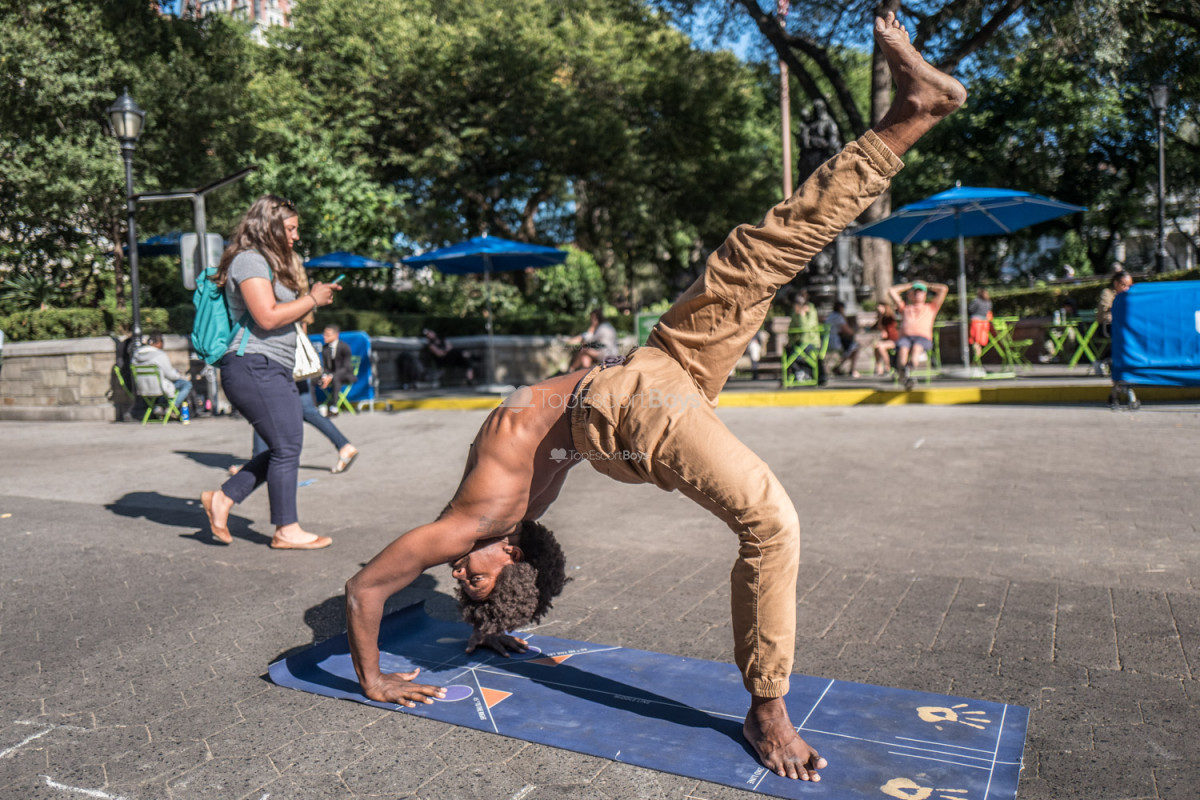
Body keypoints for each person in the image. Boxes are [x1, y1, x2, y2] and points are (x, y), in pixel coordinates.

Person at [343, 12, 965, 782]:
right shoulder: (498, 514)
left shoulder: (482, 519)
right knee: (771, 521)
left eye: (461, 583)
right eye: (472, 581)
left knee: (765, 250)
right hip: (633, 398)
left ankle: (912, 115)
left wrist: (381, 673)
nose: (453, 572)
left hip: (645, 374)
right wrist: (482, 624)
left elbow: (365, 588)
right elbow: (408, 574)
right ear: (516, 554)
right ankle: (767, 706)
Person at [199, 195, 341, 550]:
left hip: (272, 366)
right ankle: (286, 529)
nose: (295, 236)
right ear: (270, 226)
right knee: (286, 446)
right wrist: (312, 299)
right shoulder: (249, 260)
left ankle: (223, 499)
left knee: (285, 446)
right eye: (290, 229)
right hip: (252, 364)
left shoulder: (270, 263)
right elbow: (266, 316)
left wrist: (312, 299)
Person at [231, 258, 359, 475]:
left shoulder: (280, 288)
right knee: (305, 409)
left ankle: (256, 466)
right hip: (295, 358)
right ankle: (343, 445)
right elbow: (303, 328)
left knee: (264, 407)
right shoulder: (301, 292)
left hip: (281, 355)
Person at [887, 279, 949, 390]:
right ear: (910, 295)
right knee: (903, 349)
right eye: (915, 292)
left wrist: (927, 285)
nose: (918, 294)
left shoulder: (931, 307)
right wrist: (911, 285)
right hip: (906, 338)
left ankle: (908, 370)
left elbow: (943, 289)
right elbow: (892, 291)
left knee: (916, 348)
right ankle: (903, 373)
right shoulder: (905, 308)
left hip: (922, 338)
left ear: (925, 295)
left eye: (920, 292)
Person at [131, 332, 192, 416]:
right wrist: (180, 375)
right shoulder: (159, 355)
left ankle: (158, 407)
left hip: (143, 388)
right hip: (159, 388)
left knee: (164, 384)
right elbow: (171, 375)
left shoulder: (136, 355)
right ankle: (172, 407)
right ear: (159, 342)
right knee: (186, 384)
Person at [786, 290, 824, 384]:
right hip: (798, 342)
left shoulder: (810, 309)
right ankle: (797, 373)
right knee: (789, 351)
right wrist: (790, 342)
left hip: (811, 341)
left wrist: (802, 315)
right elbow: (791, 328)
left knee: (798, 354)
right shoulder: (794, 311)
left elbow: (805, 328)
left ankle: (806, 374)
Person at [320, 324, 356, 416]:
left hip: (345, 375)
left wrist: (331, 376)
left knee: (336, 379)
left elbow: (346, 367)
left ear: (336, 335)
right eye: (324, 334)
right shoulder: (325, 348)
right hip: (331, 375)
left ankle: (334, 408)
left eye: (328, 335)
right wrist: (325, 376)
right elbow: (326, 367)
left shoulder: (344, 347)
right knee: (313, 380)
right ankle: (313, 408)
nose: (325, 337)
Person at [823, 301, 861, 377]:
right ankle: (851, 370)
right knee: (856, 348)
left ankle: (838, 367)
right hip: (835, 342)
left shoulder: (830, 316)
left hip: (826, 342)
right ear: (841, 308)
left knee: (850, 349)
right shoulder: (838, 317)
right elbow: (848, 331)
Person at [871, 301, 899, 376]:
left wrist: (880, 319)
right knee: (876, 346)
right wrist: (880, 317)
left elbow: (885, 334)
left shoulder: (889, 318)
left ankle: (888, 366)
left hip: (894, 340)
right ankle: (878, 366)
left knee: (881, 347)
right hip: (887, 340)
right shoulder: (882, 318)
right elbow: (875, 327)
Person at [967, 288, 993, 363]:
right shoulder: (988, 302)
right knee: (979, 342)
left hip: (976, 322)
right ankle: (977, 359)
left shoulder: (976, 301)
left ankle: (976, 360)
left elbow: (970, 309)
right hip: (985, 323)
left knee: (975, 341)